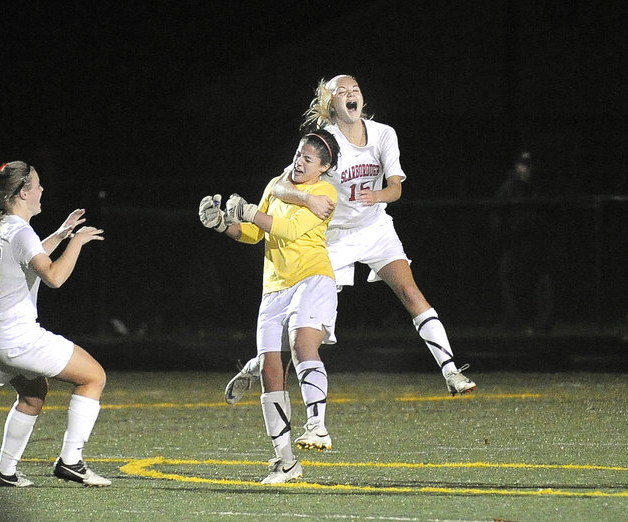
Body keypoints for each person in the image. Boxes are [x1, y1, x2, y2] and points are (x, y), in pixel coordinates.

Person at [225, 75, 475, 405]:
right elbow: (281, 185)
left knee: (409, 289)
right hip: (333, 238)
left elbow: (396, 189)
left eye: (354, 89)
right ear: (331, 105)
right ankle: (259, 364)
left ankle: (451, 370)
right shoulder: (324, 144)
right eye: (341, 92)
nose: (350, 94)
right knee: (308, 331)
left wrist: (379, 195)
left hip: (374, 228)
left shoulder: (384, 134)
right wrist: (308, 200)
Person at [199, 129, 340, 484]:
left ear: (322, 168)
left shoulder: (324, 192)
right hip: (274, 287)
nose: (299, 160)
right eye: (298, 153)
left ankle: (317, 426)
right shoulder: (277, 183)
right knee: (271, 372)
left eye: (308, 159)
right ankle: (286, 462)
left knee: (302, 343)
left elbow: (290, 230)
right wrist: (223, 225)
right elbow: (255, 232)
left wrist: (246, 211)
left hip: (312, 278)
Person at [0, 161, 111, 487]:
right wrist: (77, 242)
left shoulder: (8, 225)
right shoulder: (20, 231)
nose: (42, 190)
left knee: (34, 394)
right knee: (94, 377)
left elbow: (31, 257)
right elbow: (54, 277)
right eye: (37, 184)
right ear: (23, 193)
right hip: (16, 338)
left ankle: (4, 472)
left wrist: (61, 235)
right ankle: (71, 462)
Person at [489, 151, 554, 332]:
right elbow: (497, 215)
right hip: (515, 244)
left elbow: (548, 216)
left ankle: (542, 324)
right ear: (517, 167)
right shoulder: (509, 188)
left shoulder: (538, 187)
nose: (527, 169)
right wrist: (504, 237)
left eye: (530, 165)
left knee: (542, 283)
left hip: (536, 245)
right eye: (523, 164)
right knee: (511, 282)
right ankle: (513, 322)